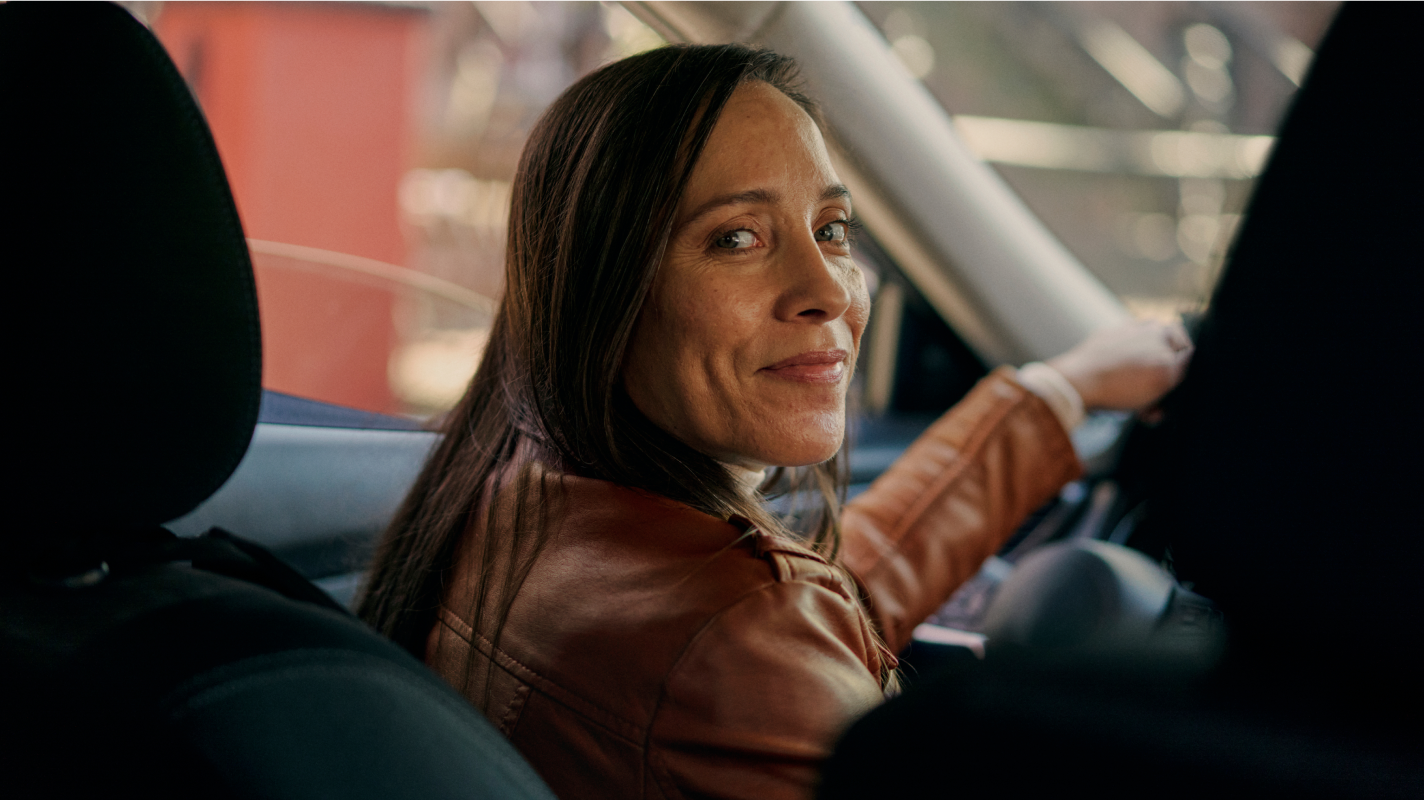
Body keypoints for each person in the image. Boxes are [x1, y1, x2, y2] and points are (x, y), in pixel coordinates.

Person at [358, 44, 1190, 800]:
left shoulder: (522, 487)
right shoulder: (733, 637)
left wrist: (1058, 392)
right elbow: (768, 639)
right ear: (604, 293)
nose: (827, 286)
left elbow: (818, 616)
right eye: (736, 239)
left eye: (830, 228)